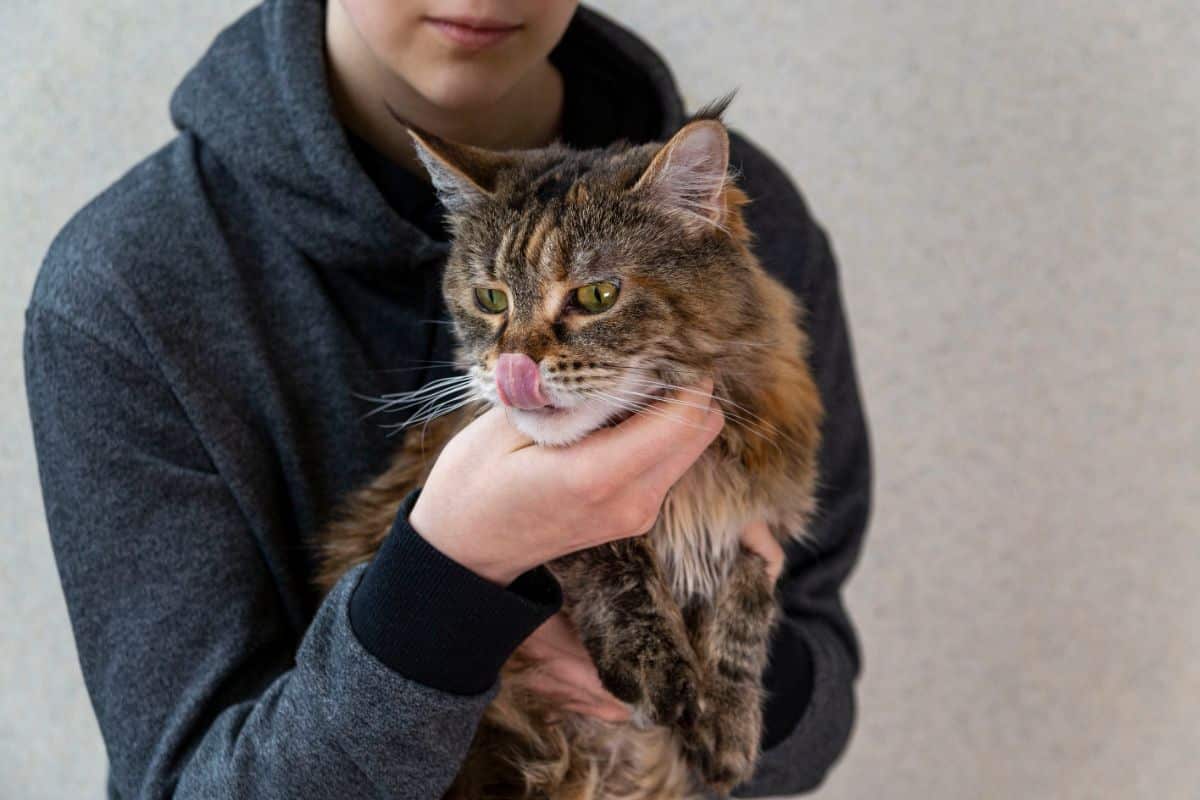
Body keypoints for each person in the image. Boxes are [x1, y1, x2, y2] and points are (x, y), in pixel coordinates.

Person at [23, 0, 872, 797]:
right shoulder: (121, 292)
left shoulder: (723, 212)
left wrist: (723, 659)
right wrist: (444, 588)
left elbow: (819, 698)